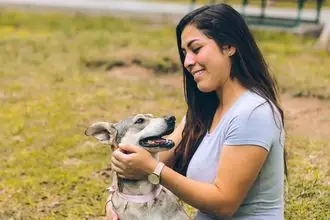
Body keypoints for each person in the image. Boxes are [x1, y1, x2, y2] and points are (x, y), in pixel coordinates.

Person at [111, 3, 286, 220]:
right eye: (184, 53)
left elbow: (224, 204)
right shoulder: (205, 111)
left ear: (229, 46)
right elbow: (156, 157)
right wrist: (116, 200)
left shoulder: (253, 113)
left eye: (196, 49)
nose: (187, 62)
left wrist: (152, 169)